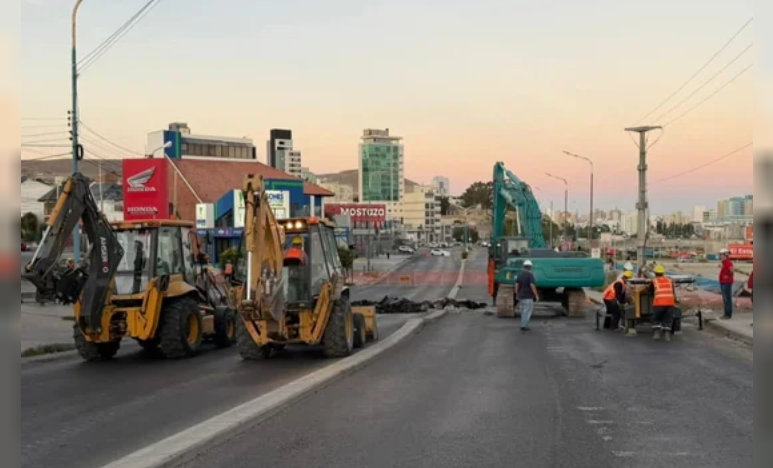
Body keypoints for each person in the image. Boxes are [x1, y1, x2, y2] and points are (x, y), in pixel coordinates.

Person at [650, 265, 677, 342]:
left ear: (655, 273)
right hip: (670, 303)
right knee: (668, 319)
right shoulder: (669, 280)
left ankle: (657, 334)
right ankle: (667, 335)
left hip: (659, 303)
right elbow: (672, 291)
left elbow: (650, 291)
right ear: (663, 273)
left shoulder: (654, 281)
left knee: (656, 318)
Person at [515, 260, 539, 332]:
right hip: (528, 297)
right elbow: (532, 285)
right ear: (530, 267)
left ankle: (523, 325)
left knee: (523, 311)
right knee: (528, 311)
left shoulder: (520, 275)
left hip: (521, 296)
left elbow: (516, 285)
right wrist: (536, 295)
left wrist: (517, 294)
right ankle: (524, 326)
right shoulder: (530, 275)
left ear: (524, 267)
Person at [719, 249, 734, 320]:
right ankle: (726, 314)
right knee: (725, 299)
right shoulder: (724, 263)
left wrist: (728, 276)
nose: (720, 256)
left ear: (725, 255)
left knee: (727, 299)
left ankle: (728, 314)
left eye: (721, 255)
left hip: (726, 283)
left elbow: (732, 271)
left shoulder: (728, 262)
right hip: (723, 282)